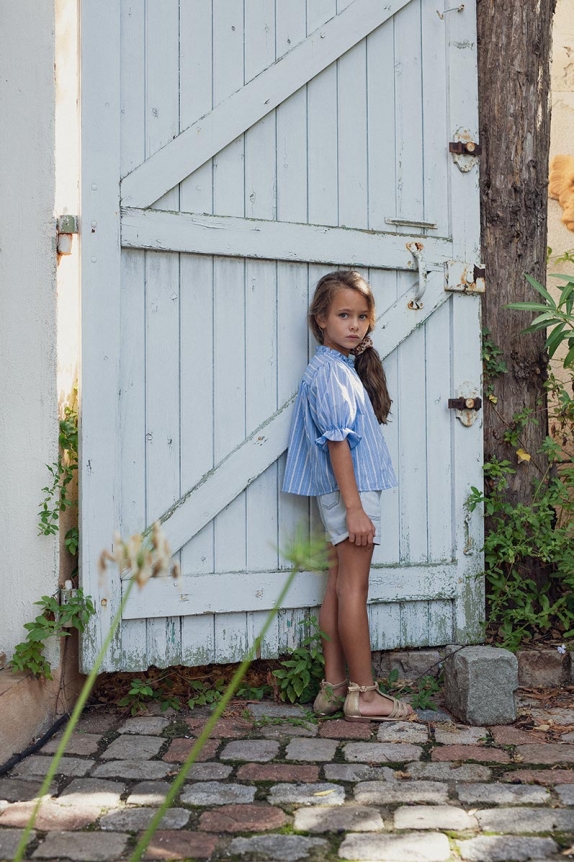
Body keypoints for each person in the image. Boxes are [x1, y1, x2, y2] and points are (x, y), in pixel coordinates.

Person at [282, 270, 414, 721]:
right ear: (321, 319)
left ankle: (334, 687)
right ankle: (366, 694)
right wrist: (355, 508)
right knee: (354, 589)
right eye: (343, 315)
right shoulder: (332, 376)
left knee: (338, 588)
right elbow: (338, 444)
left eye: (361, 316)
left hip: (342, 494)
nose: (354, 325)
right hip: (350, 494)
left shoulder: (334, 369)